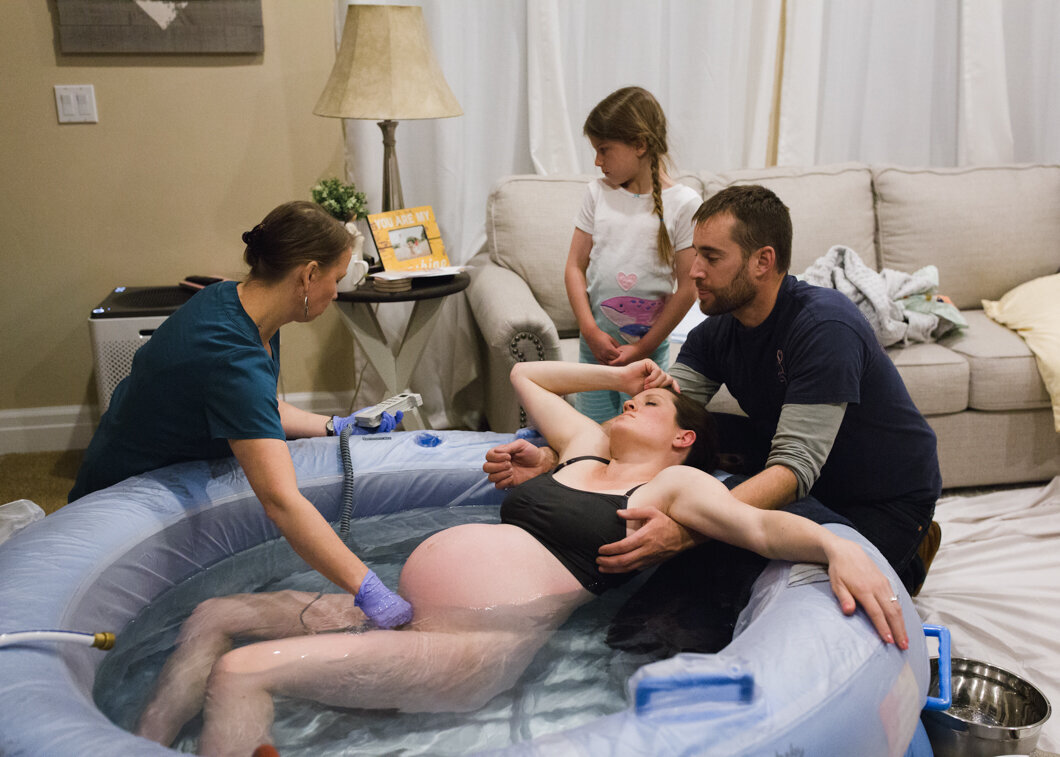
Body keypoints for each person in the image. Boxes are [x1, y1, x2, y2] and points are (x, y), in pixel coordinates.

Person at [134, 359, 908, 757]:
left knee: (244, 668)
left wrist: (836, 545)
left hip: (472, 647)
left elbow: (764, 530)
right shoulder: (579, 450)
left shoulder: (677, 484)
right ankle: (131, 743)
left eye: (656, 404)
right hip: (398, 612)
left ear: (682, 438)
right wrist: (618, 375)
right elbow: (525, 375)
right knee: (214, 612)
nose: (637, 403)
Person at [487, 184, 942, 597]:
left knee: (740, 563)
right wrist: (559, 459)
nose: (693, 272)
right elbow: (659, 415)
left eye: (711, 257)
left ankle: (913, 551)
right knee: (695, 437)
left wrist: (687, 530)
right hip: (785, 453)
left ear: (762, 261)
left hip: (880, 496)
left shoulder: (824, 327)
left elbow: (795, 468)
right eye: (694, 254)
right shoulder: (716, 331)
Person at [70, 201, 411, 629]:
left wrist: (335, 426)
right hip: (116, 503)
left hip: (139, 463)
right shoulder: (233, 354)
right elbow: (281, 502)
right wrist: (369, 589)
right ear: (307, 275)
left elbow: (256, 407)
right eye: (335, 279)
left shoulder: (234, 302)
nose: (336, 293)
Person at [564, 86, 700, 422]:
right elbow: (574, 268)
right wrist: (590, 330)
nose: (597, 161)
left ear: (640, 144)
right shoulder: (596, 193)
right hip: (594, 347)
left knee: (643, 435)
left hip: (648, 354)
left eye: (604, 149)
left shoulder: (684, 203)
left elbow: (687, 288)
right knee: (593, 436)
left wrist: (642, 348)